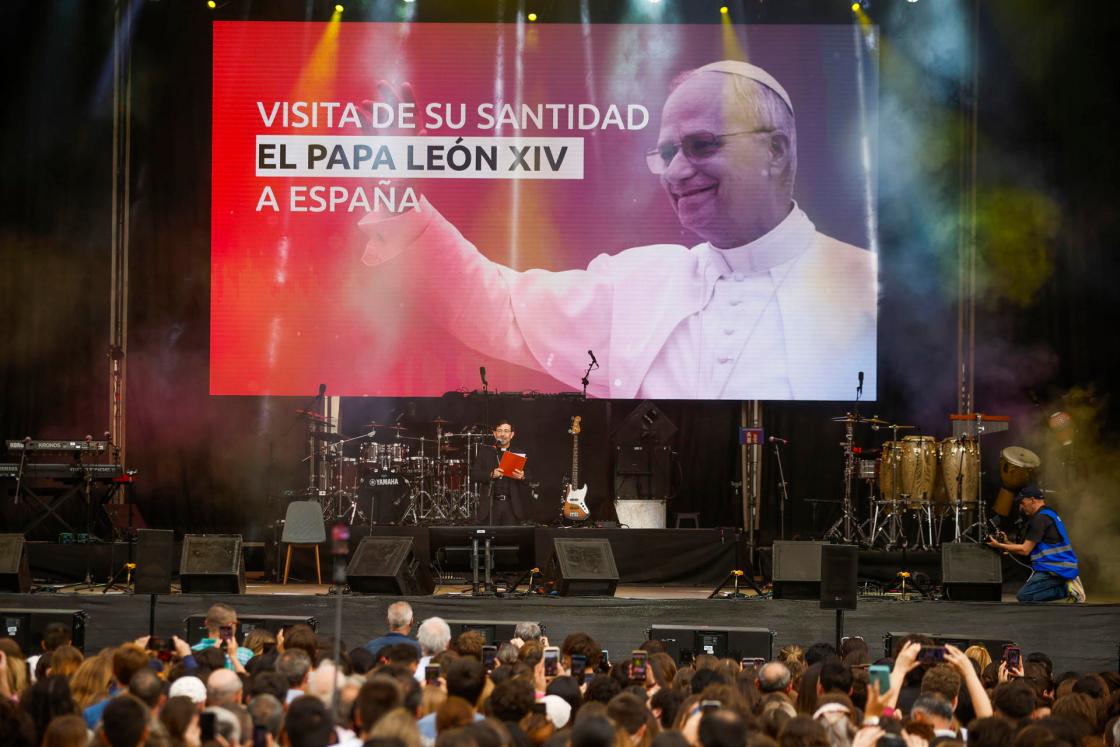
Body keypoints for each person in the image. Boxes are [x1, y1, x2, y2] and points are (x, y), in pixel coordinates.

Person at [358, 60, 876, 401]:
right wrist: (396, 187)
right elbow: (496, 303)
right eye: (668, 154)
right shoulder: (641, 279)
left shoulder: (866, 287)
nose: (675, 172)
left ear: (775, 151)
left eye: (701, 145)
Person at [987, 484, 1086, 603]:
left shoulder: (1040, 519)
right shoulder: (1048, 514)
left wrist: (999, 546)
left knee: (1024, 596)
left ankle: (1067, 589)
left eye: (1022, 503)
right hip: (1054, 567)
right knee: (1026, 597)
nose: (1021, 507)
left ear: (1032, 500)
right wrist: (1007, 542)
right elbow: (1028, 547)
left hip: (1055, 569)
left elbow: (1025, 550)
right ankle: (1067, 587)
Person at [469, 420, 530, 526]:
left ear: (512, 435)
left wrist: (522, 476)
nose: (503, 434)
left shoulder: (519, 453)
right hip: (490, 505)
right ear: (494, 433)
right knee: (489, 540)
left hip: (511, 506)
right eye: (499, 431)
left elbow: (530, 478)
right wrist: (490, 474)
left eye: (506, 431)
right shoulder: (485, 452)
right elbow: (474, 474)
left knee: (510, 540)